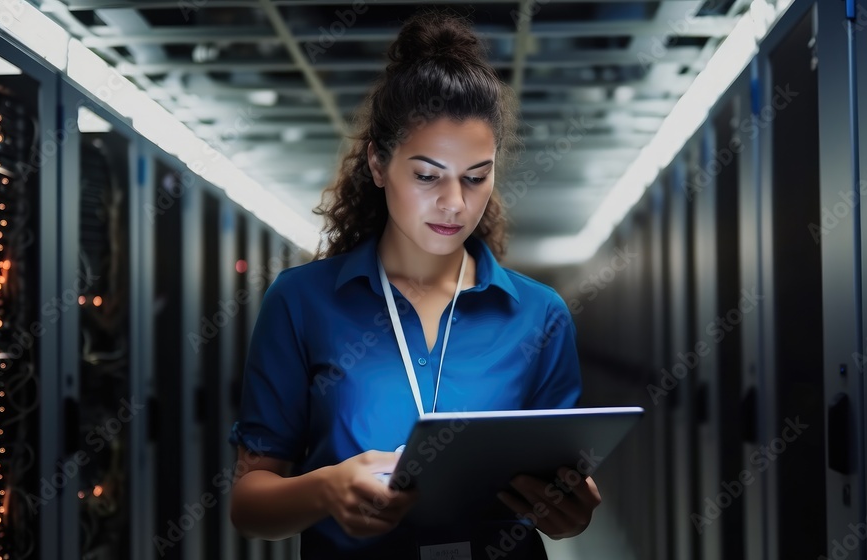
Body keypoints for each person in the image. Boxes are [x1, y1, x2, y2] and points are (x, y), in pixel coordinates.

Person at [228, 10, 601, 559]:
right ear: (378, 164)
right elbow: (248, 504)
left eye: (476, 177)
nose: (455, 203)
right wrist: (326, 489)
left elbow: (557, 491)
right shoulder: (302, 301)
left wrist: (570, 515)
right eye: (427, 175)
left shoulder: (539, 315)